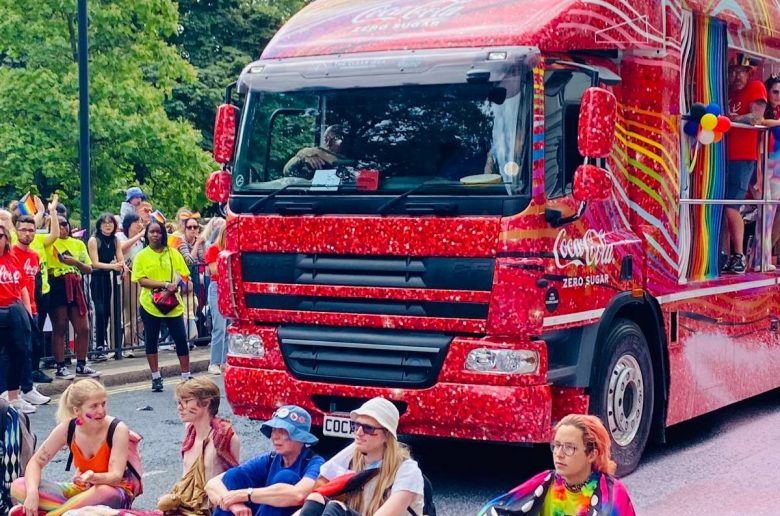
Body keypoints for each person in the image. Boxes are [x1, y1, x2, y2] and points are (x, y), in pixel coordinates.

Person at [9, 379, 137, 516]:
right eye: (94, 406)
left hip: (114, 492)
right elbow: (36, 462)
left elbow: (116, 477)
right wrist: (32, 494)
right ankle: (70, 511)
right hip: (81, 490)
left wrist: (93, 477)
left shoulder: (118, 429)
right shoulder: (68, 428)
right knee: (19, 486)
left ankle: (53, 513)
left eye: (103, 404)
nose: (101, 411)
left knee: (104, 491)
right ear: (77, 411)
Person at [478, 414, 635, 516]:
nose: (559, 454)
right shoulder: (546, 481)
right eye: (557, 445)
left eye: (569, 448)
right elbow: (497, 509)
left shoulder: (612, 494)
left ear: (591, 455)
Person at [296, 397, 424, 516]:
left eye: (368, 428)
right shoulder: (352, 455)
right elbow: (323, 481)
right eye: (356, 425)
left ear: (387, 435)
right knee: (316, 498)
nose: (359, 432)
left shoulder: (407, 470)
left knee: (336, 508)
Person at [206, 405, 324, 516]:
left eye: (283, 431)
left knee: (286, 477)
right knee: (234, 475)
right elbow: (212, 484)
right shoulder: (270, 459)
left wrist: (244, 494)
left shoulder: (315, 463)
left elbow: (299, 495)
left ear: (300, 437)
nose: (275, 437)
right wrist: (233, 504)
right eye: (274, 430)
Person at [131, 219, 192, 392]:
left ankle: (186, 376)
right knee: (151, 340)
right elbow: (141, 280)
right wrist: (164, 285)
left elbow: (184, 274)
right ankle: (156, 377)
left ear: (163, 234)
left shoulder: (173, 253)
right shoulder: (141, 256)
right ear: (147, 234)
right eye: (152, 232)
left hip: (173, 304)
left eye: (158, 232)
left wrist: (175, 285)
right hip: (150, 304)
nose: (155, 235)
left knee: (181, 339)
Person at [725, 53, 768, 274]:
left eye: (741, 71)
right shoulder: (728, 92)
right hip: (722, 155)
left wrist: (728, 120)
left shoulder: (756, 87)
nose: (737, 76)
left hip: (743, 156)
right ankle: (725, 254)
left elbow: (756, 118)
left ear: (749, 73)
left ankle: (739, 255)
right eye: (733, 71)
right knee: (719, 206)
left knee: (731, 205)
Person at [45, 215, 100, 379]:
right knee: (60, 326)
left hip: (75, 284)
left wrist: (75, 263)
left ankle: (81, 364)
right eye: (59, 225)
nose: (63, 227)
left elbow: (89, 268)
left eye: (65, 224)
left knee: (84, 328)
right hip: (57, 283)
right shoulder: (48, 242)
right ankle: (60, 366)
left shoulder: (78, 244)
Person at [8, 215, 52, 409]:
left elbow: (33, 283)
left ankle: (27, 388)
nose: (27, 233)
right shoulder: (11, 254)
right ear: (16, 231)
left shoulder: (34, 256)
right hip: (17, 307)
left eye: (31, 230)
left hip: (33, 306)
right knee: (18, 350)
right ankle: (17, 391)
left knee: (30, 348)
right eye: (23, 230)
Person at [0, 222, 35, 414]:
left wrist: (27, 312)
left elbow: (22, 287)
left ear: (6, 239)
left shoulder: (11, 258)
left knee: (19, 353)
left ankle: (13, 396)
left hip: (14, 309)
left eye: (0, 236)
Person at [88, 214, 128, 361]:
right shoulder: (94, 240)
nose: (108, 225)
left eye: (110, 223)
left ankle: (103, 345)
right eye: (104, 223)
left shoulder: (115, 240)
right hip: (96, 279)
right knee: (98, 311)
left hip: (107, 279)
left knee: (106, 313)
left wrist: (123, 267)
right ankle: (96, 346)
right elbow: (94, 263)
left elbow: (120, 258)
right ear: (99, 225)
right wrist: (113, 266)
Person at [30, 194, 61, 381]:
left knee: (38, 332)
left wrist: (51, 212)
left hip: (43, 291)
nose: (29, 232)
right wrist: (40, 212)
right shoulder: (15, 238)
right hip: (26, 293)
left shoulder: (39, 239)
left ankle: (34, 369)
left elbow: (55, 234)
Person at [117, 213, 145, 354]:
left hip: (135, 276)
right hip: (121, 276)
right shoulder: (120, 236)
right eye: (136, 222)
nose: (139, 225)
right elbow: (122, 248)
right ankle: (114, 345)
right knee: (117, 310)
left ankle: (129, 343)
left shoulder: (142, 241)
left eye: (140, 222)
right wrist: (138, 236)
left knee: (132, 311)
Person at [283, 125, 349, 179]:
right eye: (326, 140)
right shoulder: (317, 161)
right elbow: (287, 172)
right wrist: (301, 158)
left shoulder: (352, 164)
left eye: (334, 139)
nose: (328, 144)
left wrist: (317, 151)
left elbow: (342, 163)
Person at [204, 221, 227, 374]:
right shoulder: (213, 249)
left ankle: (225, 361)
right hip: (217, 287)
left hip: (229, 288)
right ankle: (214, 362)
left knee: (229, 327)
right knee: (219, 326)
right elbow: (214, 271)